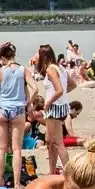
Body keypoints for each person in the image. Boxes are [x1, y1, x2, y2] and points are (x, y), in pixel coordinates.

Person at [0, 44, 34, 188]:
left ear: (3, 57)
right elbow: (34, 88)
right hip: (18, 109)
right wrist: (27, 102)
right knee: (16, 148)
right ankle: (16, 183)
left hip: (2, 108)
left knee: (2, 148)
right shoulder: (23, 70)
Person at [33, 47, 71, 175]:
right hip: (61, 106)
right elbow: (71, 85)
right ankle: (52, 171)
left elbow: (59, 90)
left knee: (58, 143)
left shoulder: (50, 69)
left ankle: (68, 172)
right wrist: (62, 96)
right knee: (49, 141)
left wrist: (49, 101)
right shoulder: (60, 67)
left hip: (54, 107)